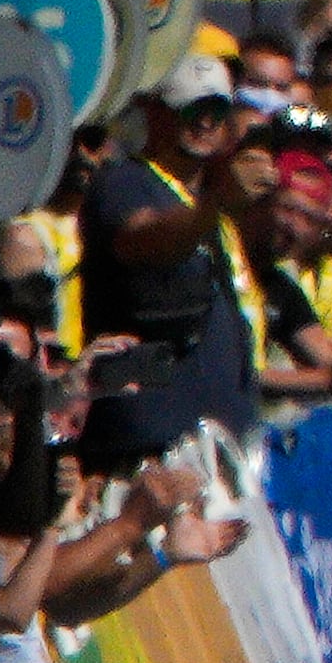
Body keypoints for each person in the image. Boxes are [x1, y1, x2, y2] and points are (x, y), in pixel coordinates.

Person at [81, 57, 271, 454]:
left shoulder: (213, 206)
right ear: (153, 111)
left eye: (216, 111)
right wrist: (215, 204)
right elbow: (143, 240)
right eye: (188, 108)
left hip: (225, 440)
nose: (204, 122)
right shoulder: (124, 180)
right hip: (151, 439)